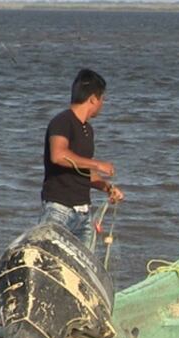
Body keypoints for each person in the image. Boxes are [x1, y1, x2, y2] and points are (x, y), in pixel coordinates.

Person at [40, 68, 124, 249]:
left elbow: (81, 169)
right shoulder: (62, 121)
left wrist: (106, 187)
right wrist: (98, 164)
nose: (103, 103)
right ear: (93, 98)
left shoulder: (87, 129)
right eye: (103, 99)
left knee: (80, 271)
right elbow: (58, 155)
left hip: (84, 214)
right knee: (49, 260)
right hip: (59, 209)